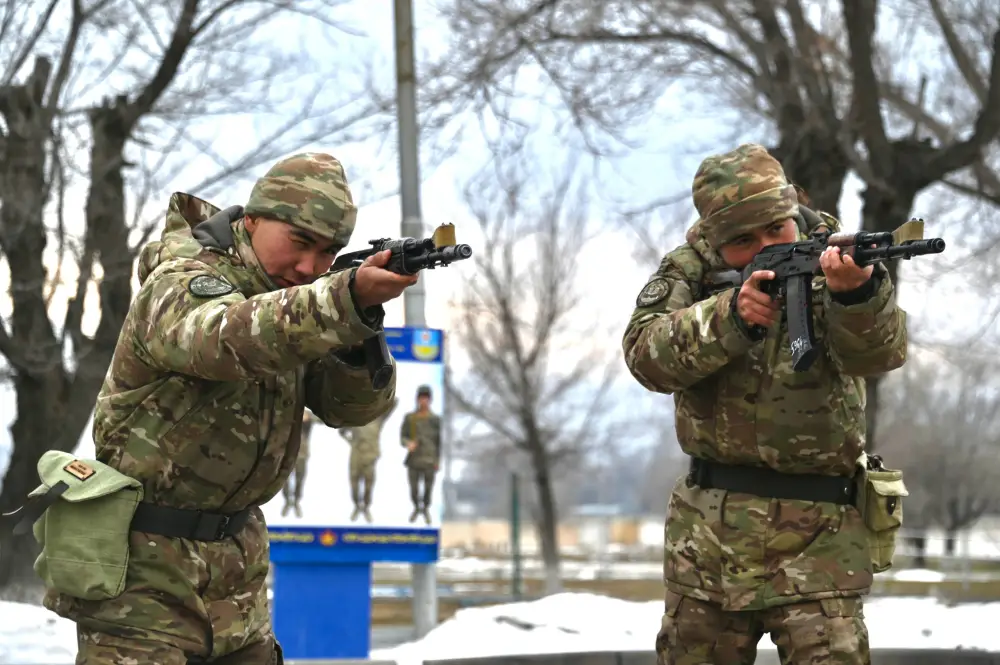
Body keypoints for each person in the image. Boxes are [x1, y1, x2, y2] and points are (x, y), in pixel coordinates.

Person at [40, 152, 415, 665]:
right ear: (253, 219)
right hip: (144, 584)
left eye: (329, 253)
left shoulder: (294, 303)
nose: (310, 266)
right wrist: (340, 300)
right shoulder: (181, 280)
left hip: (237, 585)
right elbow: (220, 339)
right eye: (300, 242)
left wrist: (359, 326)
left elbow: (351, 408)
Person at [622, 143, 908, 665]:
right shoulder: (689, 270)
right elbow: (645, 357)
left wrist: (855, 297)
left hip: (818, 538)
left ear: (792, 210)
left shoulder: (837, 256)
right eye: (742, 241)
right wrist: (728, 316)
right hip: (709, 540)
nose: (764, 246)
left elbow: (881, 353)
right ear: (714, 237)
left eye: (776, 230)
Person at [338, 397, 399, 522]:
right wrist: (351, 442)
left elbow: (394, 402)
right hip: (356, 456)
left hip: (370, 456)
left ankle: (365, 507)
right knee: (354, 484)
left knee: (368, 485)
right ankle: (356, 506)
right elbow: (342, 431)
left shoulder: (378, 419)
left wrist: (379, 395)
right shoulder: (354, 419)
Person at [400, 385, 441, 525]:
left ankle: (425, 509)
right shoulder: (410, 418)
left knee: (428, 489)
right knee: (414, 489)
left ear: (430, 400)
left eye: (426, 398)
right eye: (421, 398)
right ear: (417, 399)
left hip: (430, 460)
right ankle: (417, 508)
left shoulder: (436, 420)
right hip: (414, 460)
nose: (423, 401)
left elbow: (439, 442)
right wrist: (408, 444)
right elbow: (402, 437)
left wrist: (437, 461)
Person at [281, 409, 315, 517]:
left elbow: (319, 419)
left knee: (299, 479)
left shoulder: (307, 416)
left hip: (302, 455)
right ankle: (287, 501)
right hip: (287, 454)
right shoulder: (286, 412)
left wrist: (307, 417)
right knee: (284, 480)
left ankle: (296, 501)